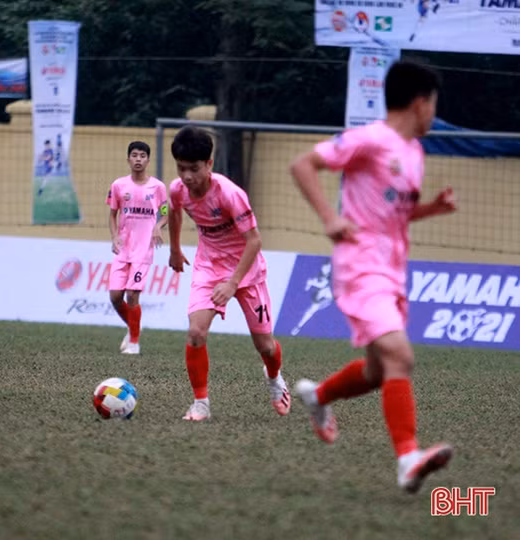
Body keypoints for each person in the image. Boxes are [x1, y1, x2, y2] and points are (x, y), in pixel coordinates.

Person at [290, 60, 456, 493]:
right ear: (421, 103)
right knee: (401, 356)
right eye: (434, 105)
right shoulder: (369, 140)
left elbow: (393, 215)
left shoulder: (415, 154)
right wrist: (330, 217)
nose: (434, 114)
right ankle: (407, 459)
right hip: (360, 268)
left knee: (380, 371)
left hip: (393, 272)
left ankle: (318, 396)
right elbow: (302, 165)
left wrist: (431, 209)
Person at [168, 126, 290, 421]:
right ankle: (201, 403)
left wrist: (233, 283)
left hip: (246, 272)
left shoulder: (230, 195)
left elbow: (255, 241)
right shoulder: (177, 190)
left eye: (194, 169)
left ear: (209, 164)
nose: (187, 176)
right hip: (208, 267)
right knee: (196, 332)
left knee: (265, 346)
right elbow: (173, 212)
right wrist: (174, 249)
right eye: (181, 168)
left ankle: (274, 379)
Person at [107, 141, 168, 354]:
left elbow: (165, 212)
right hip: (123, 249)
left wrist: (159, 226)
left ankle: (134, 341)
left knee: (133, 294)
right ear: (128, 159)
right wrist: (114, 237)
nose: (138, 159)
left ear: (148, 160)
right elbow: (112, 215)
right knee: (115, 297)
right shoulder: (118, 186)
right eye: (134, 155)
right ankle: (134, 325)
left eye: (142, 155)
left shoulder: (158, 187)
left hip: (143, 251)